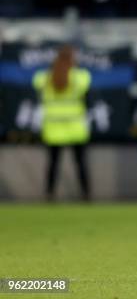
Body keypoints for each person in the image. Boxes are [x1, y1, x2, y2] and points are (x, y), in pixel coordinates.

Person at [32, 45, 91, 201]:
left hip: (53, 128)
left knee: (53, 165)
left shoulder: (44, 78)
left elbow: (36, 81)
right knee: (80, 164)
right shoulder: (79, 77)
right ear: (72, 59)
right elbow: (86, 84)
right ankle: (85, 194)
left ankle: (49, 194)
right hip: (75, 127)